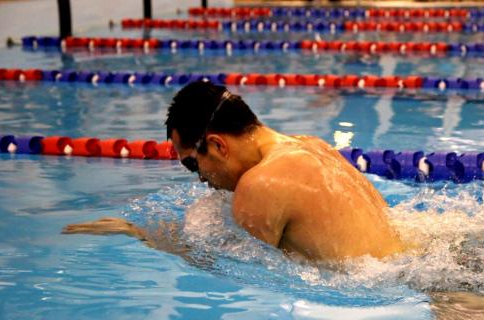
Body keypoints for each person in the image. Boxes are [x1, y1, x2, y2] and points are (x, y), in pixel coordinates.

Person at [63, 81, 414, 260]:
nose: (200, 178)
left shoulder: (261, 185)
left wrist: (139, 233)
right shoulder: (312, 144)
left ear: (216, 145)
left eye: (192, 163)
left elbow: (224, 263)